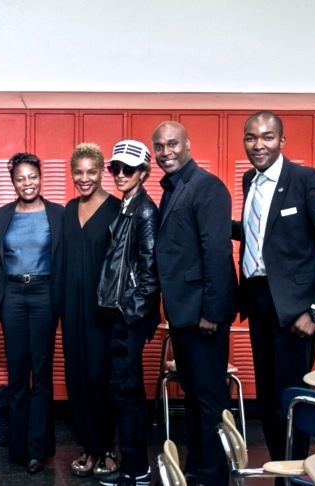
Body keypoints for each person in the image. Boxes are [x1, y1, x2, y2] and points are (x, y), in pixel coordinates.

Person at [234, 112, 315, 470]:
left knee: (291, 398)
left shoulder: (304, 179)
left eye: (267, 137)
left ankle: (297, 471)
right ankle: (280, 470)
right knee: (267, 398)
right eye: (251, 138)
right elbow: (263, 236)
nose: (258, 144)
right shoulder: (250, 179)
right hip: (259, 300)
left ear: (282, 141)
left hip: (295, 309)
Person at [152, 121, 237, 486]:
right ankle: (197, 466)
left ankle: (212, 475)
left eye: (172, 144)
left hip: (202, 315)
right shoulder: (173, 189)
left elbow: (217, 252)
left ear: (188, 144)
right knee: (195, 393)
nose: (166, 152)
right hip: (183, 313)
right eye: (159, 146)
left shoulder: (208, 187)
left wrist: (211, 313)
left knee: (208, 398)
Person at [0, 152, 64, 474]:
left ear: (41, 178)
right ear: (13, 182)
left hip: (43, 293)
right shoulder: (3, 215)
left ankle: (39, 448)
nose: (27, 183)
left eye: (32, 177)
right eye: (20, 178)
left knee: (42, 372)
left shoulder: (57, 214)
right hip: (12, 294)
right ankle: (19, 447)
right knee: (18, 373)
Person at [97, 141, 160, 486]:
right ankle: (133, 465)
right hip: (119, 313)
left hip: (129, 316)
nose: (120, 175)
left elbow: (151, 274)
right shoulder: (127, 206)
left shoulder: (145, 211)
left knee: (128, 392)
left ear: (143, 173)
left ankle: (137, 470)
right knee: (123, 390)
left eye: (128, 169)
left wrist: (129, 313)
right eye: (115, 168)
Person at [63, 143, 120, 478]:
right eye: (79, 172)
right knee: (77, 378)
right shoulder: (68, 210)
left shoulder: (117, 209)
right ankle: (87, 446)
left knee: (102, 379)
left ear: (102, 172)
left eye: (91, 172)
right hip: (72, 310)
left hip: (104, 312)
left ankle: (106, 448)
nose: (84, 178)